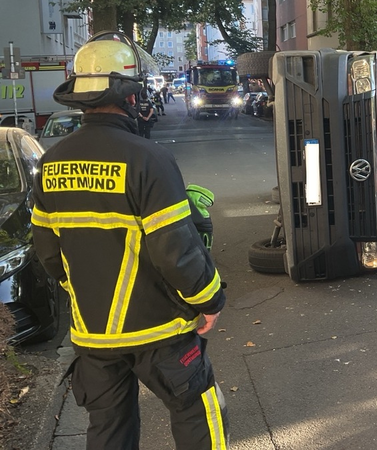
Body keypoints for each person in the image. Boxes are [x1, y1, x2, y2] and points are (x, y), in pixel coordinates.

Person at [30, 34, 228, 449]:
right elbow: (177, 252)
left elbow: (49, 256)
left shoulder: (50, 164)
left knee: (108, 431)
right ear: (129, 96)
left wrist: (87, 294)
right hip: (160, 330)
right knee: (198, 411)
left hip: (94, 336)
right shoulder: (148, 159)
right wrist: (209, 301)